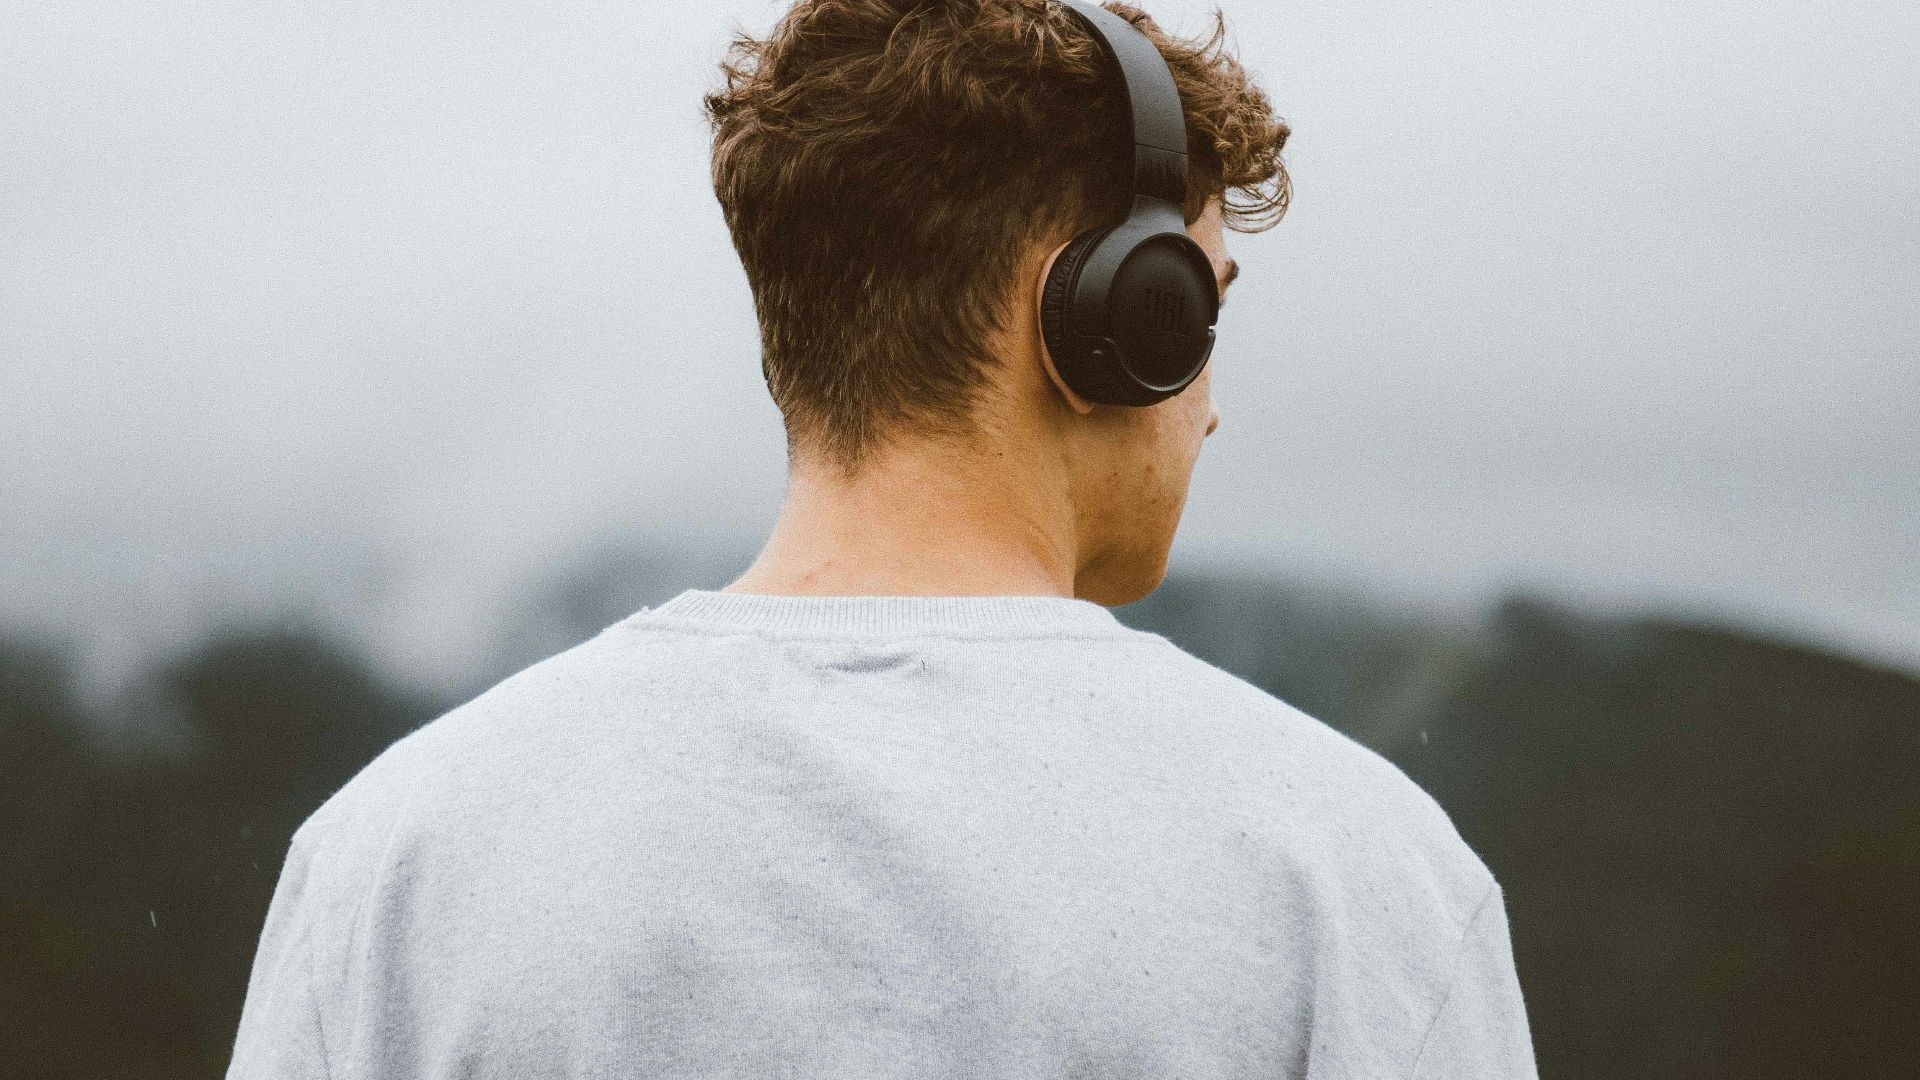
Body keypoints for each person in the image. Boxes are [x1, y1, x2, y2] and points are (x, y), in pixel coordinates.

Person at [227, 1, 1538, 1076]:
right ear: (1104, 322)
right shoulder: (1354, 878)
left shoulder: (396, 864)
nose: (1209, 410)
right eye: (1198, 320)